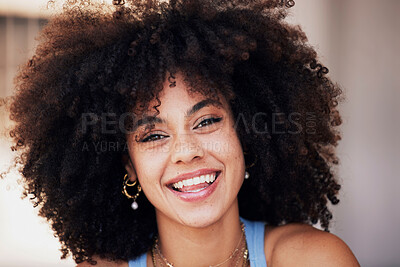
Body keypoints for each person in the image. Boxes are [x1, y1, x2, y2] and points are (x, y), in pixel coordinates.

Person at [6, 0, 359, 266]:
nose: (186, 151)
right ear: (129, 167)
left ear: (246, 134)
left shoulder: (313, 259)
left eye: (206, 121)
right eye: (153, 135)